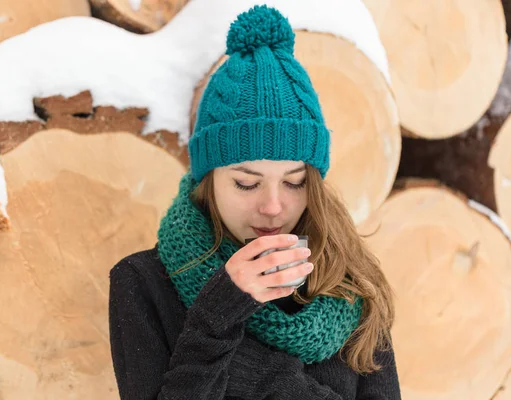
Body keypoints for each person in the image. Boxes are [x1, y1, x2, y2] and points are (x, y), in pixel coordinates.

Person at [108, 5, 401, 399]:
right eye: (247, 184)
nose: (274, 207)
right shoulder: (142, 283)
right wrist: (219, 312)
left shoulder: (351, 287)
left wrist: (265, 378)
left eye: (295, 182)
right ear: (207, 180)